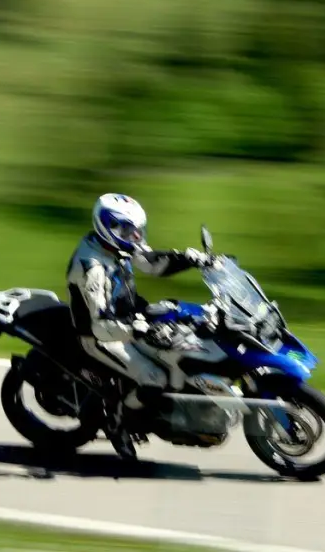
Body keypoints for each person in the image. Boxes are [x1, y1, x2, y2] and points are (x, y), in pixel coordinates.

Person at [66, 192, 214, 453]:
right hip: (100, 335)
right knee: (154, 377)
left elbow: (150, 263)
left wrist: (188, 259)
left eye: (138, 230)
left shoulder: (116, 245)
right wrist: (134, 328)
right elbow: (100, 323)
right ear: (108, 226)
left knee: (184, 325)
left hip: (129, 317)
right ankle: (118, 421)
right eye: (128, 229)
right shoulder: (92, 268)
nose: (136, 236)